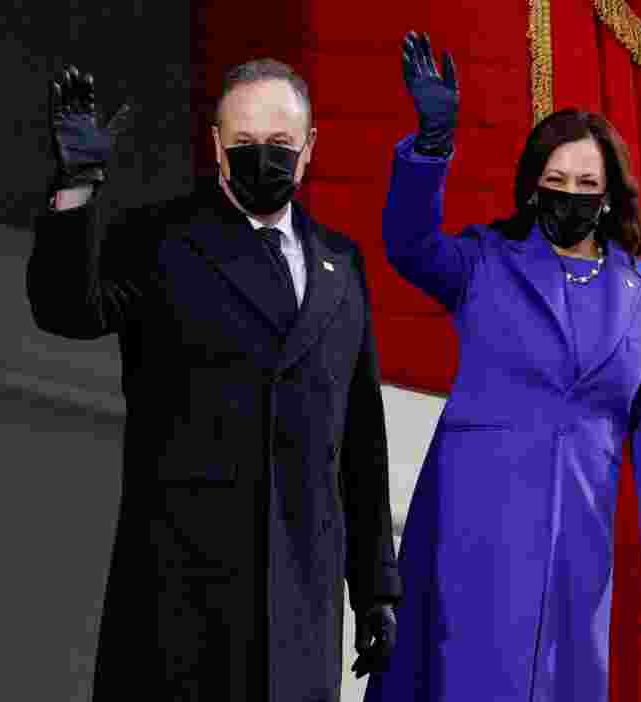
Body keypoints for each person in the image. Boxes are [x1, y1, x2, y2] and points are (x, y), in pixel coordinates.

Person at [27, 59, 402, 702]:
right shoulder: (160, 236)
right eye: (245, 143)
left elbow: (361, 440)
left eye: (282, 144)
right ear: (217, 146)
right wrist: (78, 186)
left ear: (310, 147)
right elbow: (67, 310)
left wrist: (374, 591)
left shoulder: (342, 264)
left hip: (300, 606)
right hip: (182, 603)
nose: (265, 158)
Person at [362, 32, 641, 702]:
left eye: (586, 185)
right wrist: (431, 145)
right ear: (533, 187)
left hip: (579, 538)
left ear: (609, 196)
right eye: (555, 182)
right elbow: (408, 244)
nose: (570, 196)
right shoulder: (485, 262)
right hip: (473, 525)